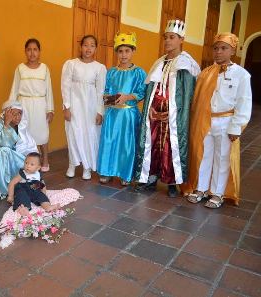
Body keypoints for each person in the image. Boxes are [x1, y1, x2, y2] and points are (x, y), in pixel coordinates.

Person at [182, 33, 252, 208]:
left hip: (227, 121)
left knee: (222, 157)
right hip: (206, 120)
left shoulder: (242, 75)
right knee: (204, 154)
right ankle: (201, 188)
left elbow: (244, 101)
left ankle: (217, 193)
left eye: (223, 48)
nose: (219, 52)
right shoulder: (206, 73)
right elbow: (197, 99)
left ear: (232, 50)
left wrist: (236, 127)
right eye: (216, 48)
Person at [134, 20, 200, 197]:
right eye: (166, 38)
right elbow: (151, 90)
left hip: (173, 116)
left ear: (181, 40)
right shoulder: (159, 63)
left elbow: (186, 95)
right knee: (153, 145)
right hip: (154, 114)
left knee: (171, 147)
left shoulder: (186, 64)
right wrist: (150, 110)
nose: (168, 41)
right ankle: (151, 178)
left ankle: (171, 182)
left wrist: (172, 113)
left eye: (172, 37)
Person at [97, 32, 147, 185]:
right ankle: (107, 171)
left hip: (128, 114)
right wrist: (108, 98)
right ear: (117, 52)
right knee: (109, 141)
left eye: (127, 51)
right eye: (120, 51)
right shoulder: (111, 72)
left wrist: (127, 97)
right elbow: (106, 90)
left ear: (133, 51)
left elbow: (142, 92)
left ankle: (125, 173)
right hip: (113, 113)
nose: (124, 54)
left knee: (126, 144)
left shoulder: (139, 72)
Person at [61, 35, 107, 180]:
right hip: (74, 106)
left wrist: (100, 111)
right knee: (73, 134)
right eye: (86, 45)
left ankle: (87, 167)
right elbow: (65, 86)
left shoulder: (99, 68)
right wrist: (66, 106)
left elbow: (101, 91)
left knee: (89, 135)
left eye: (92, 45)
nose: (88, 48)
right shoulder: (71, 64)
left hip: (90, 108)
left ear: (96, 48)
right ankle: (72, 164)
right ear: (81, 47)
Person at [8, 38, 54, 172]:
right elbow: (14, 89)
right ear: (25, 52)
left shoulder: (44, 68)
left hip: (40, 105)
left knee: (42, 134)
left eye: (35, 49)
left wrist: (50, 109)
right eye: (29, 49)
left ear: (39, 52)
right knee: (24, 134)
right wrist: (11, 108)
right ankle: (26, 162)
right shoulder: (20, 68)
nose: (32, 53)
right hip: (24, 105)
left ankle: (45, 159)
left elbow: (49, 90)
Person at [0, 101, 38, 195]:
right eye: (14, 114)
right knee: (4, 151)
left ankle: (19, 185)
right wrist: (6, 124)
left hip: (15, 157)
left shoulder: (22, 126)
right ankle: (3, 189)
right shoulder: (0, 123)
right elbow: (3, 144)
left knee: (30, 163)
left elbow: (29, 146)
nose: (18, 117)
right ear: (6, 114)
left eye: (20, 114)